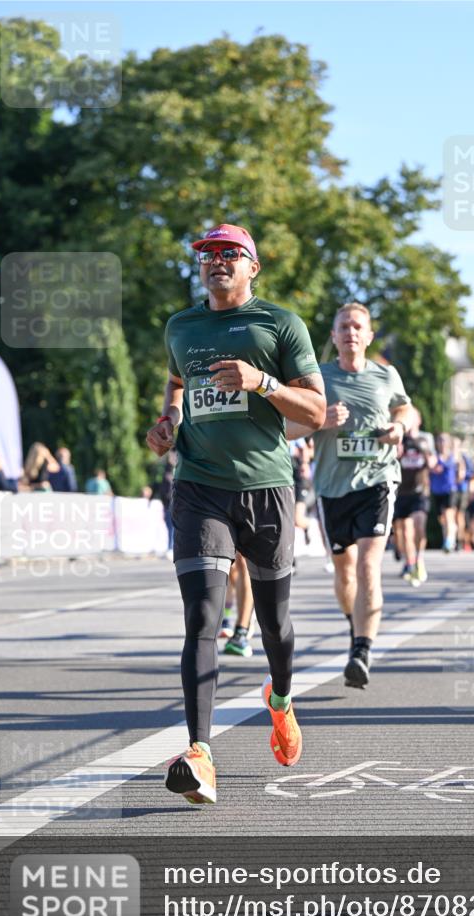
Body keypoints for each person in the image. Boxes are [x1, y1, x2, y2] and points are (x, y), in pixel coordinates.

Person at [146, 223, 325, 805]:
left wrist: (264, 381)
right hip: (198, 486)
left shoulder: (281, 324)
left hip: (267, 488)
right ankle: (199, 752)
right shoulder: (181, 326)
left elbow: (317, 411)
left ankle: (280, 701)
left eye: (229, 254)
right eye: (207, 255)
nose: (216, 262)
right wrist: (168, 422)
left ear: (253, 267)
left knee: (276, 625)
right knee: (203, 616)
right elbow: (177, 383)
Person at [287, 301, 413, 689]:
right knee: (345, 571)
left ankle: (361, 650)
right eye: (344, 326)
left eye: (358, 326)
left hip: (378, 480)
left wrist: (399, 428)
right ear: (333, 336)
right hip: (331, 487)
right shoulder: (316, 377)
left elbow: (408, 409)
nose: (351, 332)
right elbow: (287, 428)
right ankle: (354, 622)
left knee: (367, 566)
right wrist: (319, 420)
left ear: (369, 335)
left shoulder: (386, 374)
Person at [392, 407, 435, 587]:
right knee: (405, 531)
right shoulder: (399, 439)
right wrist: (396, 452)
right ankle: (410, 563)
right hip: (402, 491)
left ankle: (419, 559)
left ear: (418, 420)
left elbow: (433, 463)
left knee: (418, 525)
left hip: (420, 490)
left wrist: (423, 450)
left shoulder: (426, 439)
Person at [430, 433, 458, 553]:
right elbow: (430, 467)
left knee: (448, 515)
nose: (442, 443)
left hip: (449, 490)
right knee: (441, 518)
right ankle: (449, 538)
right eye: (440, 441)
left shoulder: (452, 455)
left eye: (444, 441)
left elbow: (454, 465)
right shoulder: (434, 456)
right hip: (437, 490)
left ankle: (449, 540)